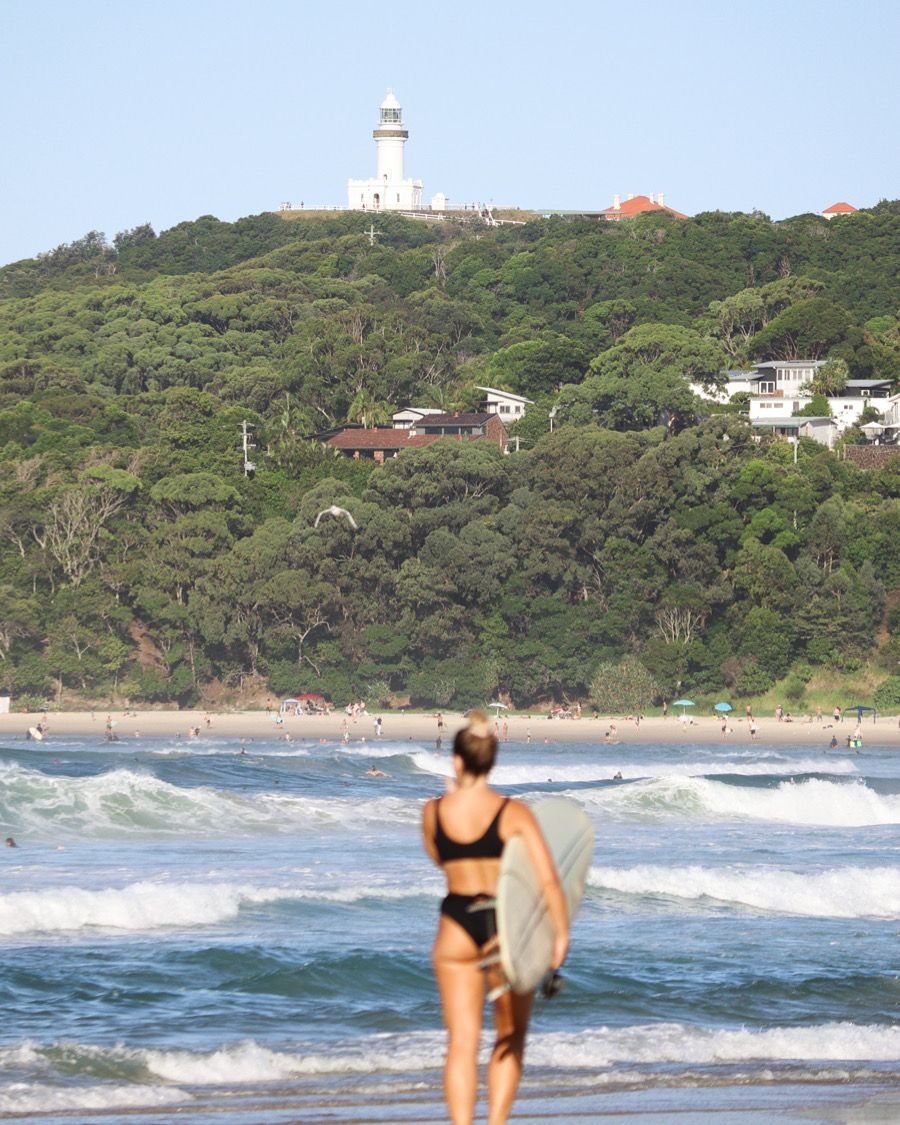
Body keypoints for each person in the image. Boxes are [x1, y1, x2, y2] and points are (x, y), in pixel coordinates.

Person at [422, 713, 569, 1125]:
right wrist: (560, 935)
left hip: (454, 924)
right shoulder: (512, 812)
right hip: (502, 923)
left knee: (461, 1042)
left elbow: (440, 859)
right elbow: (548, 880)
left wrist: (452, 800)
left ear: (457, 761)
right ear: (492, 762)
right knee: (510, 1034)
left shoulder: (433, 812)